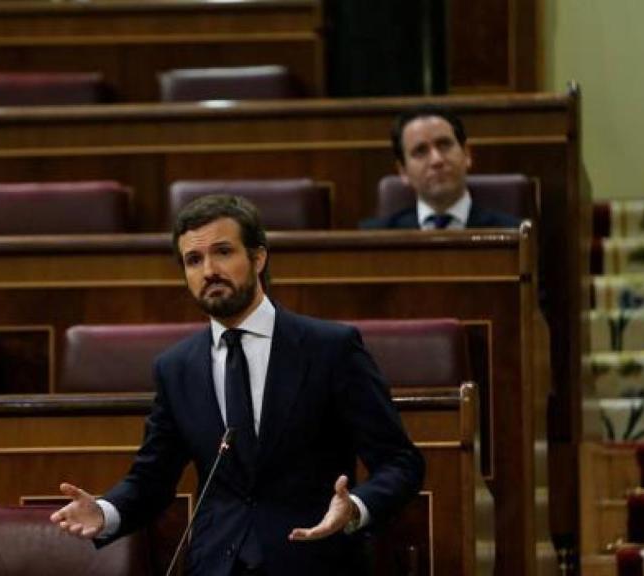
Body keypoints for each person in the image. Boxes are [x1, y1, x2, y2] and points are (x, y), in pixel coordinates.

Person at [51, 195, 424, 576]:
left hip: (312, 556)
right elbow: (152, 479)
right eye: (193, 260)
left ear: (258, 257)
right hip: (216, 563)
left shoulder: (330, 348)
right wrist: (105, 511)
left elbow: (401, 463)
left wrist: (356, 508)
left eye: (223, 252)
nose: (209, 270)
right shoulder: (176, 368)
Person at [361, 105, 522, 230]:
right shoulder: (376, 237)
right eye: (420, 151)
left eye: (444, 145)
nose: (436, 160)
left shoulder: (512, 233)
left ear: (467, 155)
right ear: (403, 171)